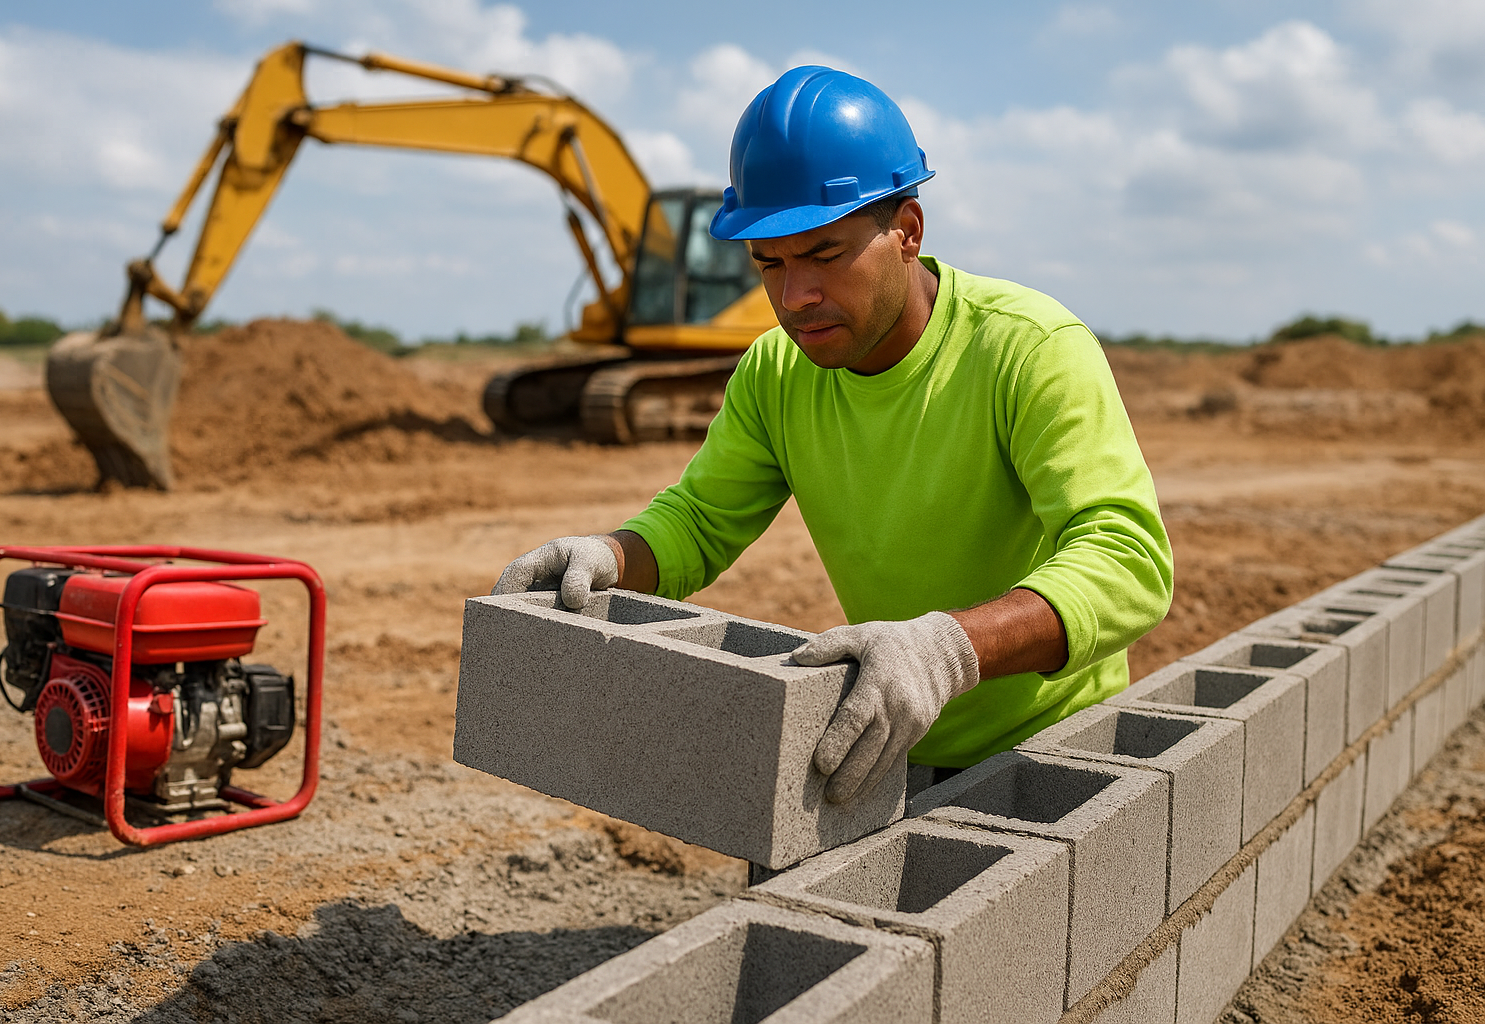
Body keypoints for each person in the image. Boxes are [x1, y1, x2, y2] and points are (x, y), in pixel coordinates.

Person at [492, 66, 1173, 806]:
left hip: (1053, 740)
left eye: (824, 254)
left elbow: (1128, 561)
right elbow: (699, 522)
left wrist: (947, 648)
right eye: (769, 263)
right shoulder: (777, 372)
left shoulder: (1028, 348)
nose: (795, 296)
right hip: (889, 732)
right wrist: (607, 557)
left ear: (907, 231)